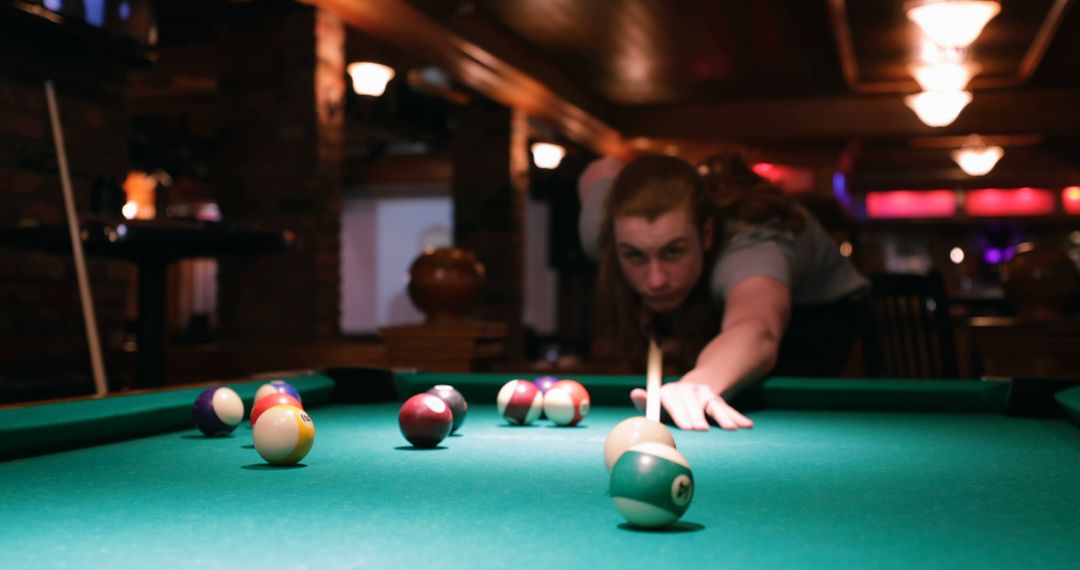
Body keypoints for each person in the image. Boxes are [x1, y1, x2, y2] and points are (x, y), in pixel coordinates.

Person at [579, 152, 869, 431]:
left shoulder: (752, 242)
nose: (655, 280)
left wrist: (699, 381)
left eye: (673, 251)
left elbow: (756, 326)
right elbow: (600, 169)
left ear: (706, 235)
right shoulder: (603, 230)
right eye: (635, 256)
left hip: (819, 316)